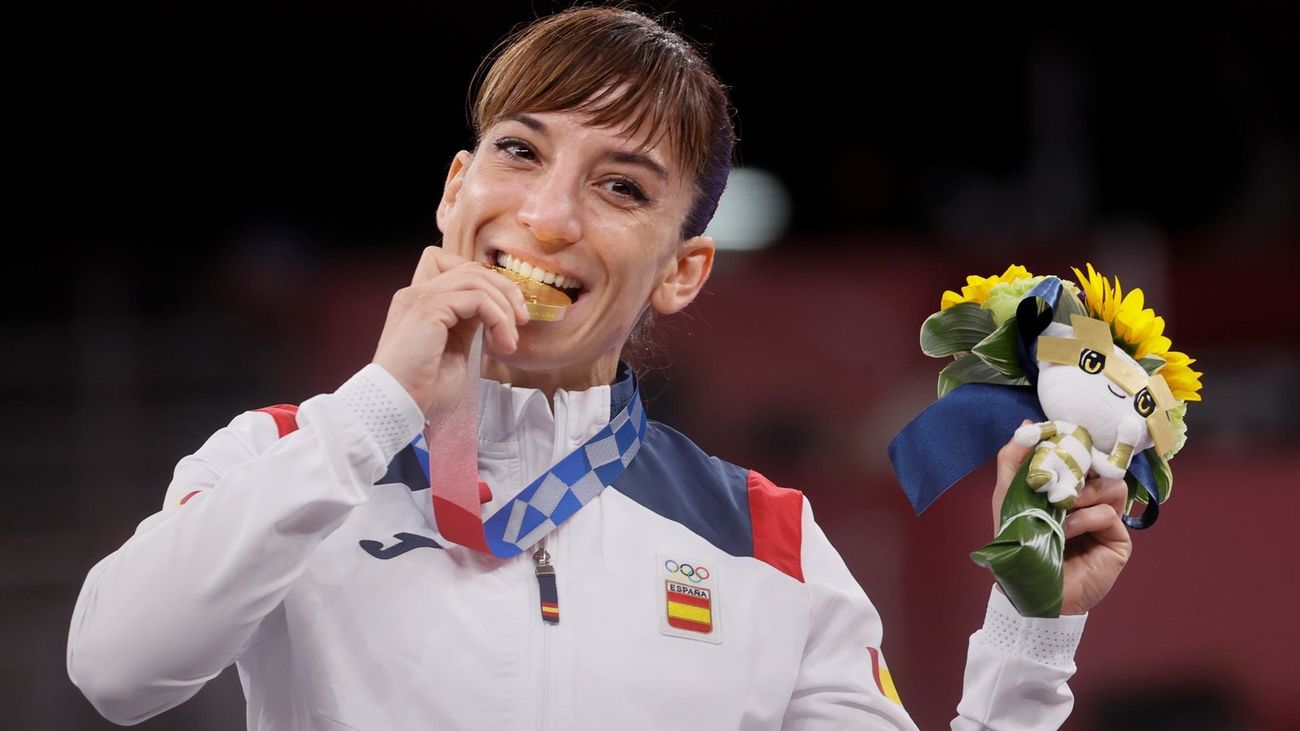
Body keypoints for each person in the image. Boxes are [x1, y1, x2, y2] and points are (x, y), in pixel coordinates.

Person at [67, 5, 1132, 729]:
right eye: (519, 151)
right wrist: (376, 412)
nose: (545, 215)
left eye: (621, 188)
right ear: (454, 190)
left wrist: (1029, 635)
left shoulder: (766, 539)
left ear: (682, 270)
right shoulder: (289, 454)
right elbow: (115, 668)